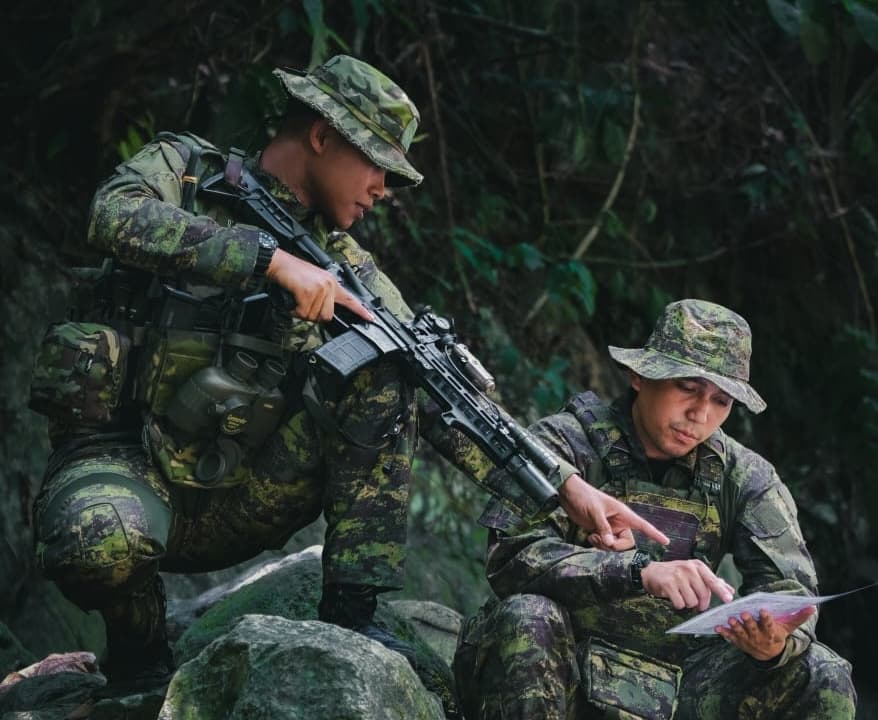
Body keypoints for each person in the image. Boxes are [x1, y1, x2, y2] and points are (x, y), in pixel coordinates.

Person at [29, 55, 665, 690]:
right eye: (377, 167)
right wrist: (268, 261)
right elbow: (112, 214)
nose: (383, 191)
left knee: (393, 364)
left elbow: (448, 399)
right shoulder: (185, 171)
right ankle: (138, 654)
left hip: (242, 496)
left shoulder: (350, 270)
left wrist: (565, 488)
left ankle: (352, 615)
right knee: (100, 542)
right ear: (321, 134)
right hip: (123, 465)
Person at [453, 299, 857, 720]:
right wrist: (637, 571)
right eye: (687, 387)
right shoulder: (565, 444)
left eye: (721, 401)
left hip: (683, 681)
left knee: (821, 673)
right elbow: (511, 557)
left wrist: (773, 644)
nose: (700, 414)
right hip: (560, 658)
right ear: (640, 376)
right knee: (526, 616)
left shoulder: (744, 476)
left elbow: (793, 591)